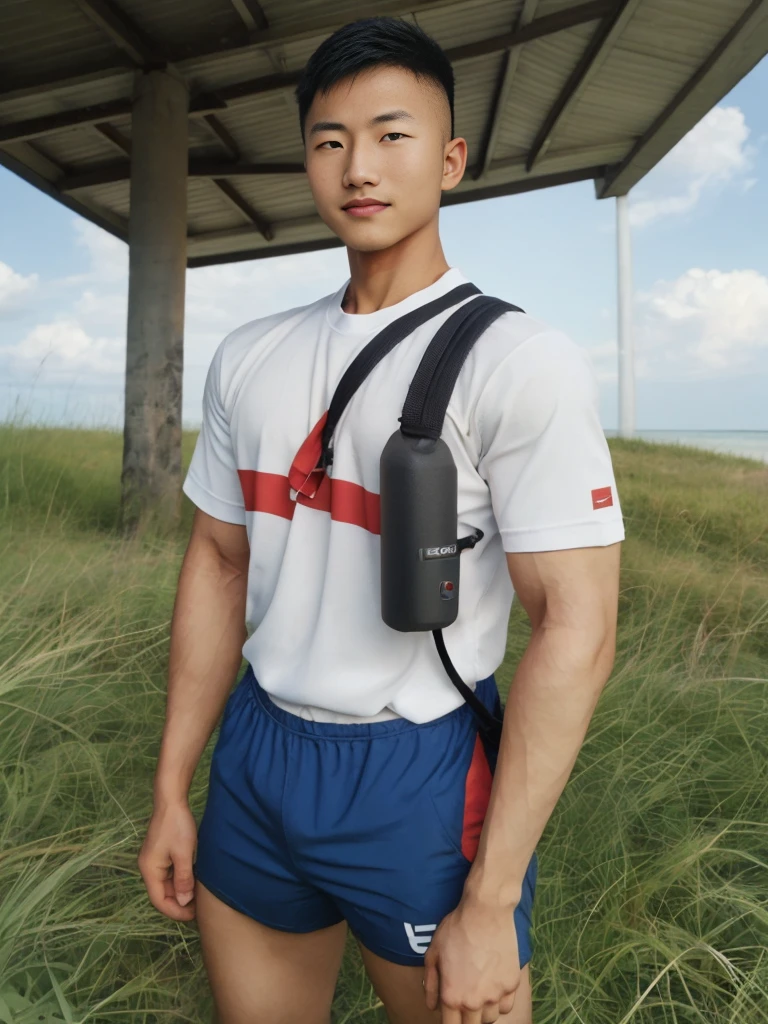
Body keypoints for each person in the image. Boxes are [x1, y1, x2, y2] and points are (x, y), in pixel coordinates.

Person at [137, 16, 624, 1024]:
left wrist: (490, 899)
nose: (358, 165)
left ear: (448, 159)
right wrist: (175, 785)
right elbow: (220, 562)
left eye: (392, 134)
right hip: (261, 753)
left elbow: (578, 626)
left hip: (417, 768)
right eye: (328, 140)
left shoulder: (517, 360)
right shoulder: (250, 355)